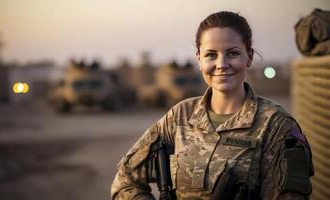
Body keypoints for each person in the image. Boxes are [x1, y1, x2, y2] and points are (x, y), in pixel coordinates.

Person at [111, 11, 314, 200]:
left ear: (249, 57)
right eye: (211, 55)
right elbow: (126, 181)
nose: (221, 64)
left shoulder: (277, 126)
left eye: (233, 53)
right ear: (199, 60)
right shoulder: (180, 116)